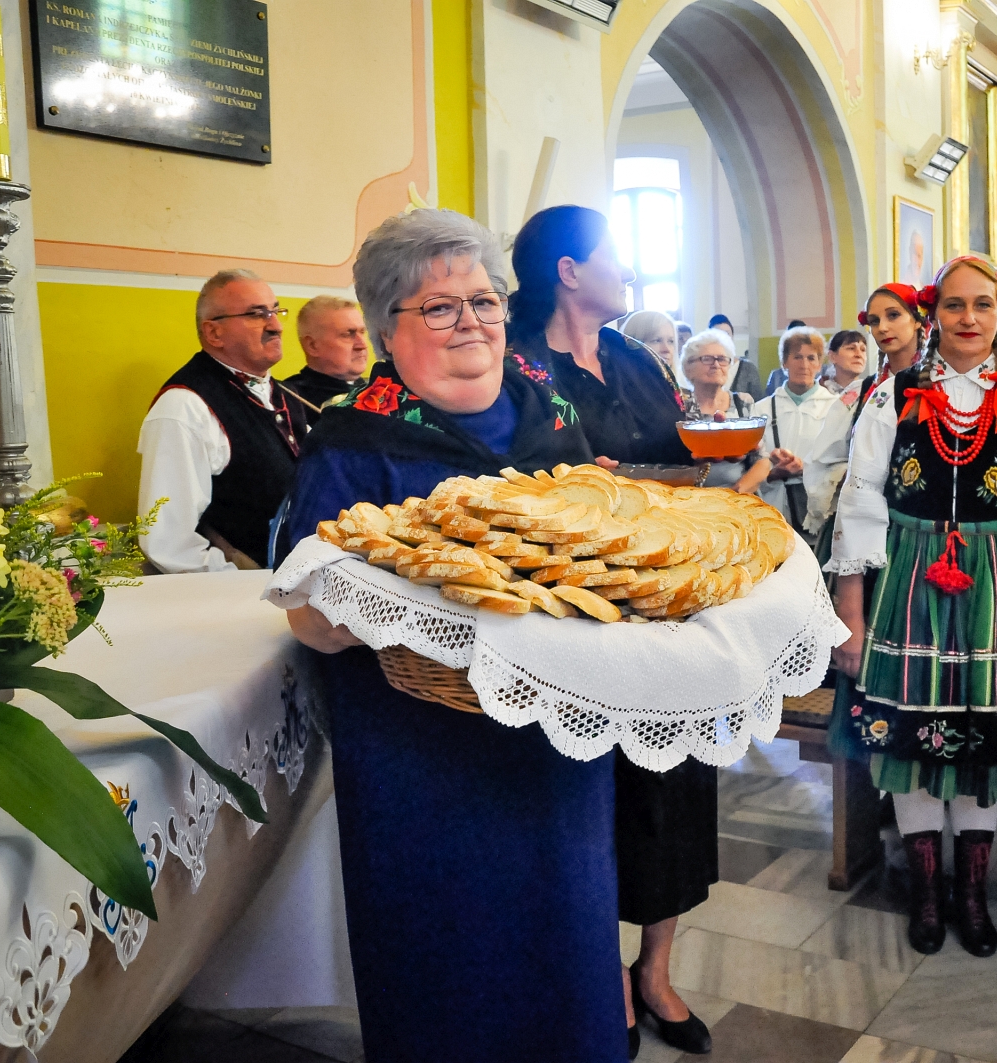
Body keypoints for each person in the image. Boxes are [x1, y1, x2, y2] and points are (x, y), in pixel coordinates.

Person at [280, 209, 623, 1063]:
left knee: (568, 933)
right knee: (445, 963)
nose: (472, 321)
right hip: (421, 760)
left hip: (554, 745)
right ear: (386, 329)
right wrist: (437, 597)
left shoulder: (551, 413)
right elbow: (311, 618)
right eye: (439, 307)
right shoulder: (353, 444)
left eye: (485, 300)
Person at [507, 205, 713, 1059]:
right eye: (612, 256)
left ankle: (654, 972)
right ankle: (597, 980)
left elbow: (686, 452)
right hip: (572, 612)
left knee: (673, 790)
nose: (625, 271)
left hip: (662, 604)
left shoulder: (630, 354)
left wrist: (696, 463)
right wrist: (632, 481)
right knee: (590, 796)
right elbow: (532, 480)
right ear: (566, 271)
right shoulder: (517, 360)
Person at [827, 256, 997, 957]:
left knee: (981, 736)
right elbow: (860, 503)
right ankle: (927, 890)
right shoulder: (892, 395)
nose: (967, 318)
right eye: (954, 304)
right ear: (935, 315)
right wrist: (851, 615)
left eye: (982, 304)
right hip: (908, 573)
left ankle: (973, 891)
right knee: (912, 732)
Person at [138, 268, 309, 573]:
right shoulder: (184, 407)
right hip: (245, 596)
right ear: (214, 333)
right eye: (258, 314)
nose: (276, 326)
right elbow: (170, 545)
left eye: (275, 310)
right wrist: (246, 581)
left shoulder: (284, 394)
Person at [803, 284, 934, 560]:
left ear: (918, 319)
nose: (883, 328)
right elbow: (822, 460)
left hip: (921, 525)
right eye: (874, 321)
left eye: (893, 315)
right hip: (864, 524)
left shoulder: (940, 387)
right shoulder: (859, 393)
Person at [748, 327, 836, 530]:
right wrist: (771, 471)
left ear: (820, 364)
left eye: (811, 358)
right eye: (797, 357)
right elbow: (749, 461)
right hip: (771, 507)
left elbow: (839, 461)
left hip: (818, 509)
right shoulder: (761, 409)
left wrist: (805, 468)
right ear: (784, 362)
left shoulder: (834, 408)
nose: (804, 365)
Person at [680, 328, 764, 490]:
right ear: (688, 367)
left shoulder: (742, 403)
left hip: (739, 497)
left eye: (722, 359)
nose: (716, 365)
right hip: (694, 499)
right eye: (707, 359)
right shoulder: (681, 406)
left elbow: (762, 460)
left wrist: (735, 493)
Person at [280, 295, 370, 425]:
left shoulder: (383, 392)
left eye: (362, 332)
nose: (362, 345)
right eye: (347, 335)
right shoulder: (289, 400)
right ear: (313, 346)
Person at [710, 313, 761, 397]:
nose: (723, 339)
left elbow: (757, 402)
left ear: (732, 336)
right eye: (718, 335)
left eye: (727, 334)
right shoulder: (705, 367)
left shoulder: (748, 368)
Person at [620, 309, 681, 377]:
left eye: (670, 341)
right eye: (656, 340)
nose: (666, 350)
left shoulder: (674, 387)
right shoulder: (619, 386)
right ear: (633, 345)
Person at [821, 328, 870, 404]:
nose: (859, 355)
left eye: (863, 350)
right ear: (832, 356)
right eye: (851, 348)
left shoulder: (871, 391)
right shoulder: (819, 392)